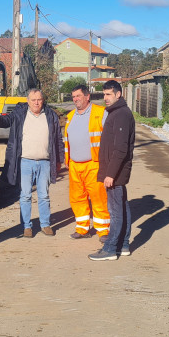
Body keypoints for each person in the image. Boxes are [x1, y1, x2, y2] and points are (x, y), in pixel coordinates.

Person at [0, 88, 64, 238]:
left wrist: (59, 160)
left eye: (39, 99)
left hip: (45, 162)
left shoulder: (51, 115)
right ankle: (26, 227)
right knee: (25, 195)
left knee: (44, 195)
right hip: (25, 162)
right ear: (28, 101)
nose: (36, 103)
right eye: (33, 100)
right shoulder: (20, 113)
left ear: (43, 100)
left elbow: (58, 140)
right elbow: (7, 120)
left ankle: (45, 224)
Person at [88, 80, 135, 261]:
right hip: (114, 171)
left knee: (115, 211)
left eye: (109, 94)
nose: (105, 98)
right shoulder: (116, 113)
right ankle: (122, 244)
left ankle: (110, 248)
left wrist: (110, 174)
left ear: (118, 94)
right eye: (104, 94)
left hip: (115, 172)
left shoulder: (121, 114)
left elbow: (121, 149)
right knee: (122, 206)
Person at [63, 84, 110, 241]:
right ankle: (82, 229)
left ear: (87, 96)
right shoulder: (70, 117)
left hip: (93, 163)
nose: (75, 99)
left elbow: (111, 138)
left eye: (78, 96)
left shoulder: (101, 113)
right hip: (74, 165)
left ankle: (103, 231)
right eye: (74, 96)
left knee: (98, 197)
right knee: (77, 198)